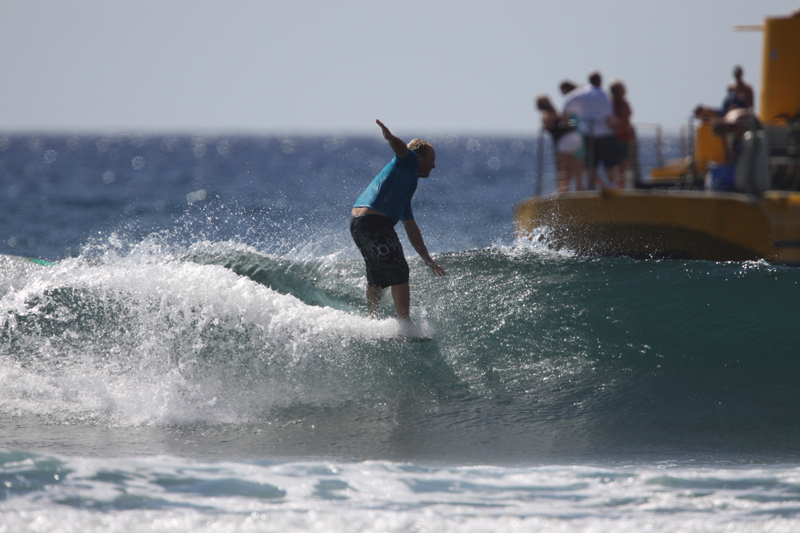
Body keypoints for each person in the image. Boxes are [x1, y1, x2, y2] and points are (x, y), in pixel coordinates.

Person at [350, 119, 446, 321]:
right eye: (431, 159)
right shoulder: (409, 161)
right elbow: (402, 149)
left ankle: (372, 321)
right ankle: (405, 324)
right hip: (374, 221)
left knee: (375, 276)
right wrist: (390, 138)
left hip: (358, 223)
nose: (434, 165)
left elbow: (411, 228)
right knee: (399, 270)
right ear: (419, 157)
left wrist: (427, 259)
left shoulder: (402, 191)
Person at [563, 71, 621, 189]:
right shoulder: (602, 94)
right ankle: (613, 186)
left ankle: (600, 185)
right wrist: (615, 130)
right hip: (605, 133)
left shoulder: (579, 93)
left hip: (587, 132)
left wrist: (566, 123)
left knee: (589, 164)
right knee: (610, 164)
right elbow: (608, 117)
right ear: (600, 80)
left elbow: (566, 107)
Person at [536, 95, 583, 192]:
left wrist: (544, 126)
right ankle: (578, 188)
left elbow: (547, 123)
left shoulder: (546, 113)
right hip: (574, 137)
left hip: (564, 140)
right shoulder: (555, 110)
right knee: (572, 165)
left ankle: (563, 191)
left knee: (563, 167)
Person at [609, 80, 635, 182]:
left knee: (615, 164)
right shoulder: (622, 103)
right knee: (623, 164)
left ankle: (616, 185)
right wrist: (630, 134)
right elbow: (625, 120)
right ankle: (621, 187)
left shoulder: (610, 103)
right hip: (623, 136)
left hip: (613, 136)